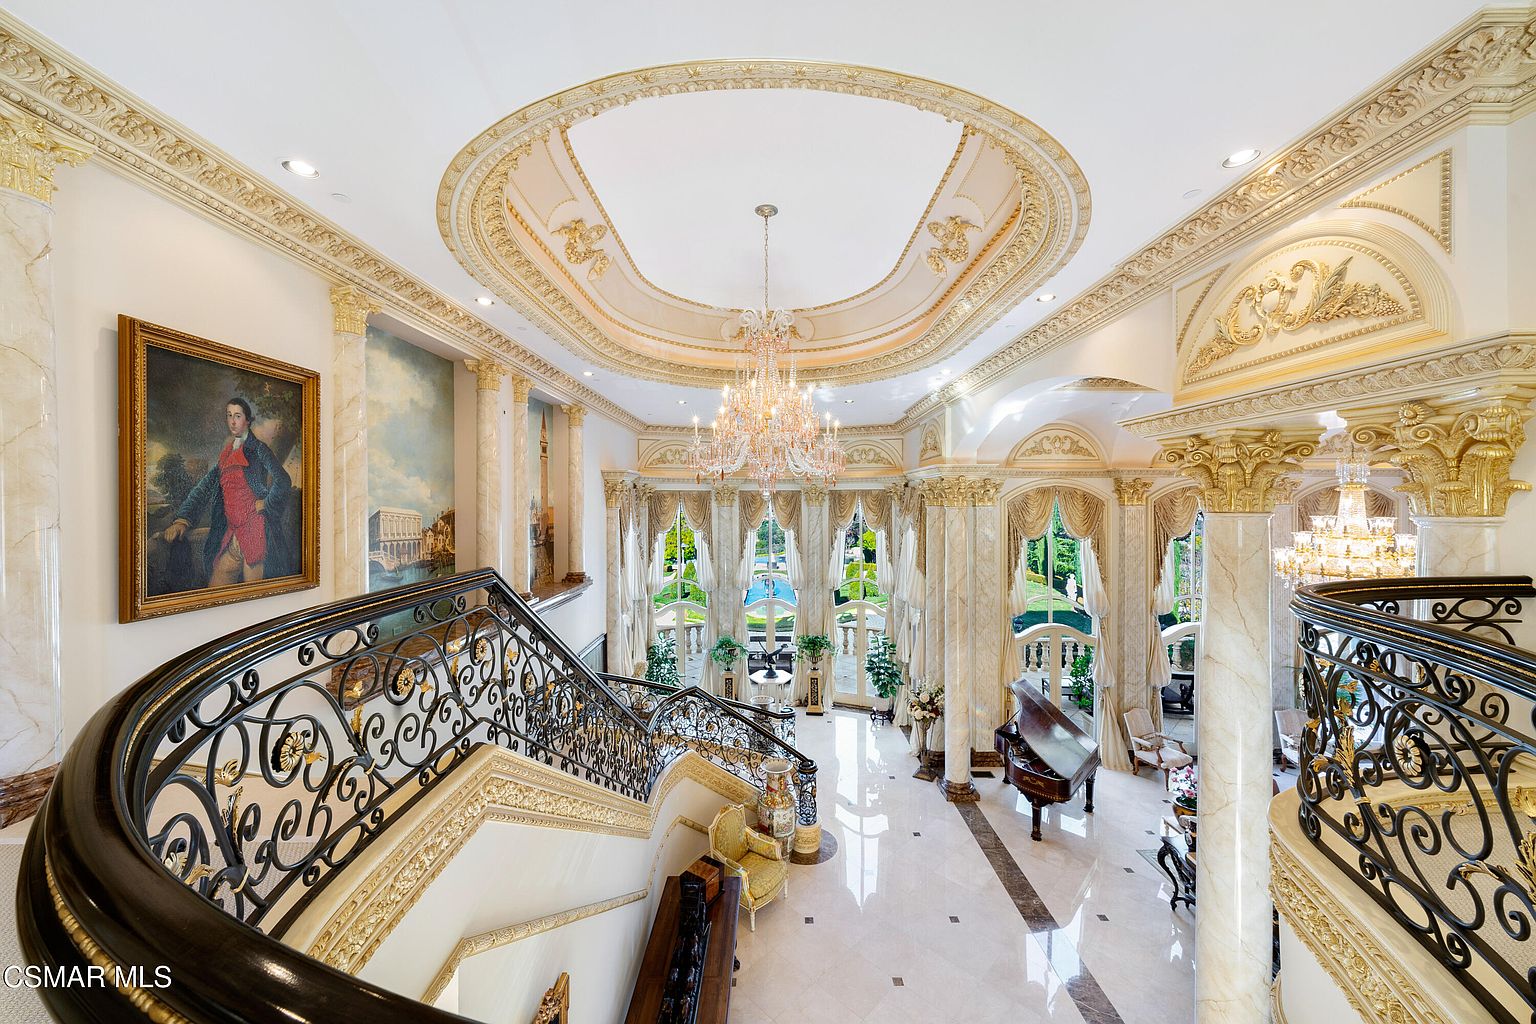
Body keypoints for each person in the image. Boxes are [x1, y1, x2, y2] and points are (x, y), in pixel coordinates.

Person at [162, 397, 292, 586]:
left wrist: (267, 502)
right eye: (229, 416)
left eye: (237, 416)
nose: (232, 421)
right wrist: (183, 519)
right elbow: (204, 487)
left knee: (255, 597)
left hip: (255, 530)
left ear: (248, 420)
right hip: (232, 532)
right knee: (216, 590)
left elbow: (283, 480)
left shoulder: (258, 449)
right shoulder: (227, 453)